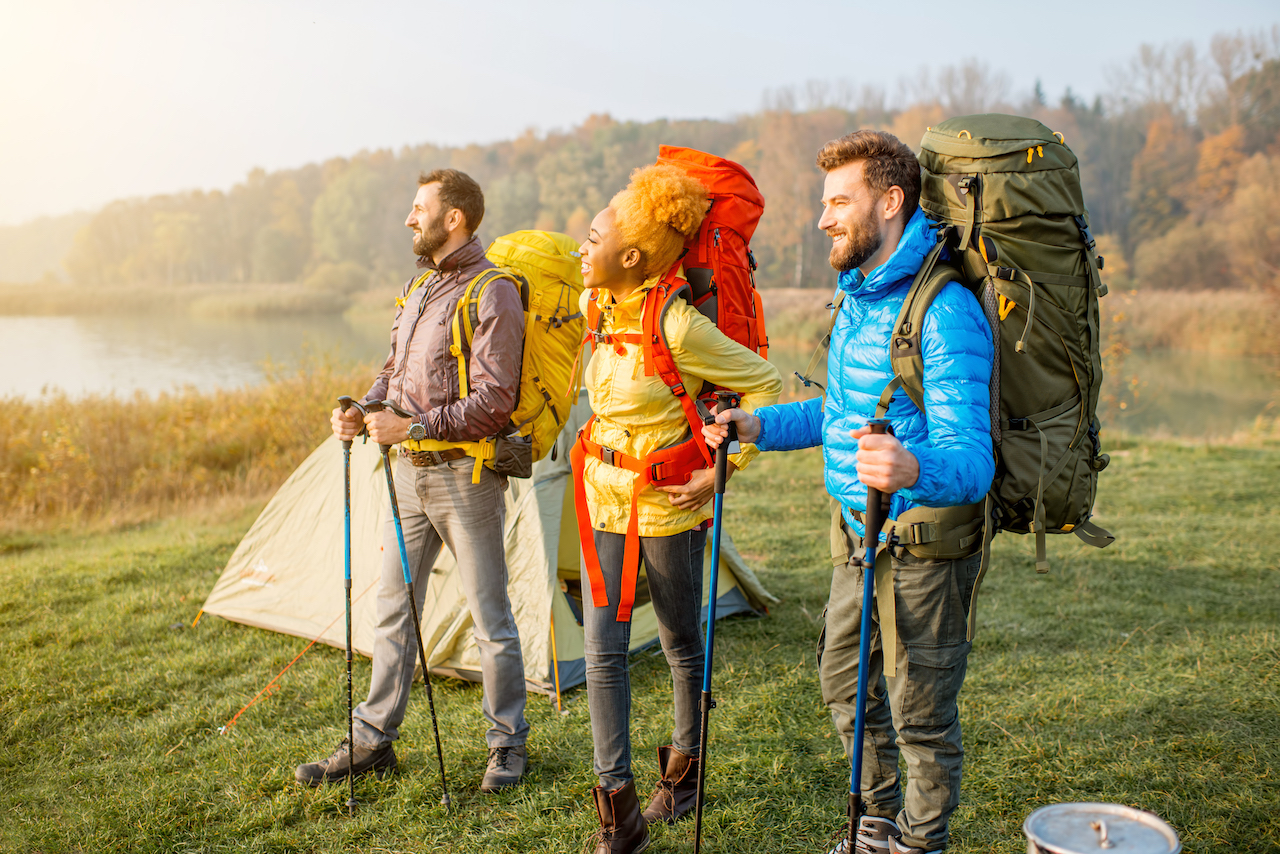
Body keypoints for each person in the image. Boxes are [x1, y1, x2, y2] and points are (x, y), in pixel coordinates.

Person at [706, 131, 994, 854]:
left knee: (920, 712)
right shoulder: (860, 298)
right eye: (824, 202)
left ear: (890, 202)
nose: (824, 219)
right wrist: (755, 426)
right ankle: (877, 826)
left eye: (839, 201)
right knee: (845, 687)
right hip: (855, 535)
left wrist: (912, 467)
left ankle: (919, 844)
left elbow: (971, 459)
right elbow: (837, 414)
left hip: (924, 546)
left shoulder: (945, 309)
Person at [295, 168, 531, 794]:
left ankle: (507, 746)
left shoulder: (495, 292)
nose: (409, 217)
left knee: (491, 618)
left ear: (454, 218)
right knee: (393, 609)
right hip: (406, 479)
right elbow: (395, 370)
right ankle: (372, 742)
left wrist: (414, 428)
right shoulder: (419, 287)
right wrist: (363, 407)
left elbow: (495, 402)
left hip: (465, 478)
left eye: (419, 207)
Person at [574, 162, 781, 853]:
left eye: (593, 234)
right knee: (601, 652)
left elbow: (768, 384)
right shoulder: (596, 309)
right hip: (603, 499)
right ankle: (619, 815)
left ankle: (684, 777)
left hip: (666, 507)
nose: (583, 242)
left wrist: (724, 473)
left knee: (678, 643)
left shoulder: (678, 324)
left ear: (630, 256)